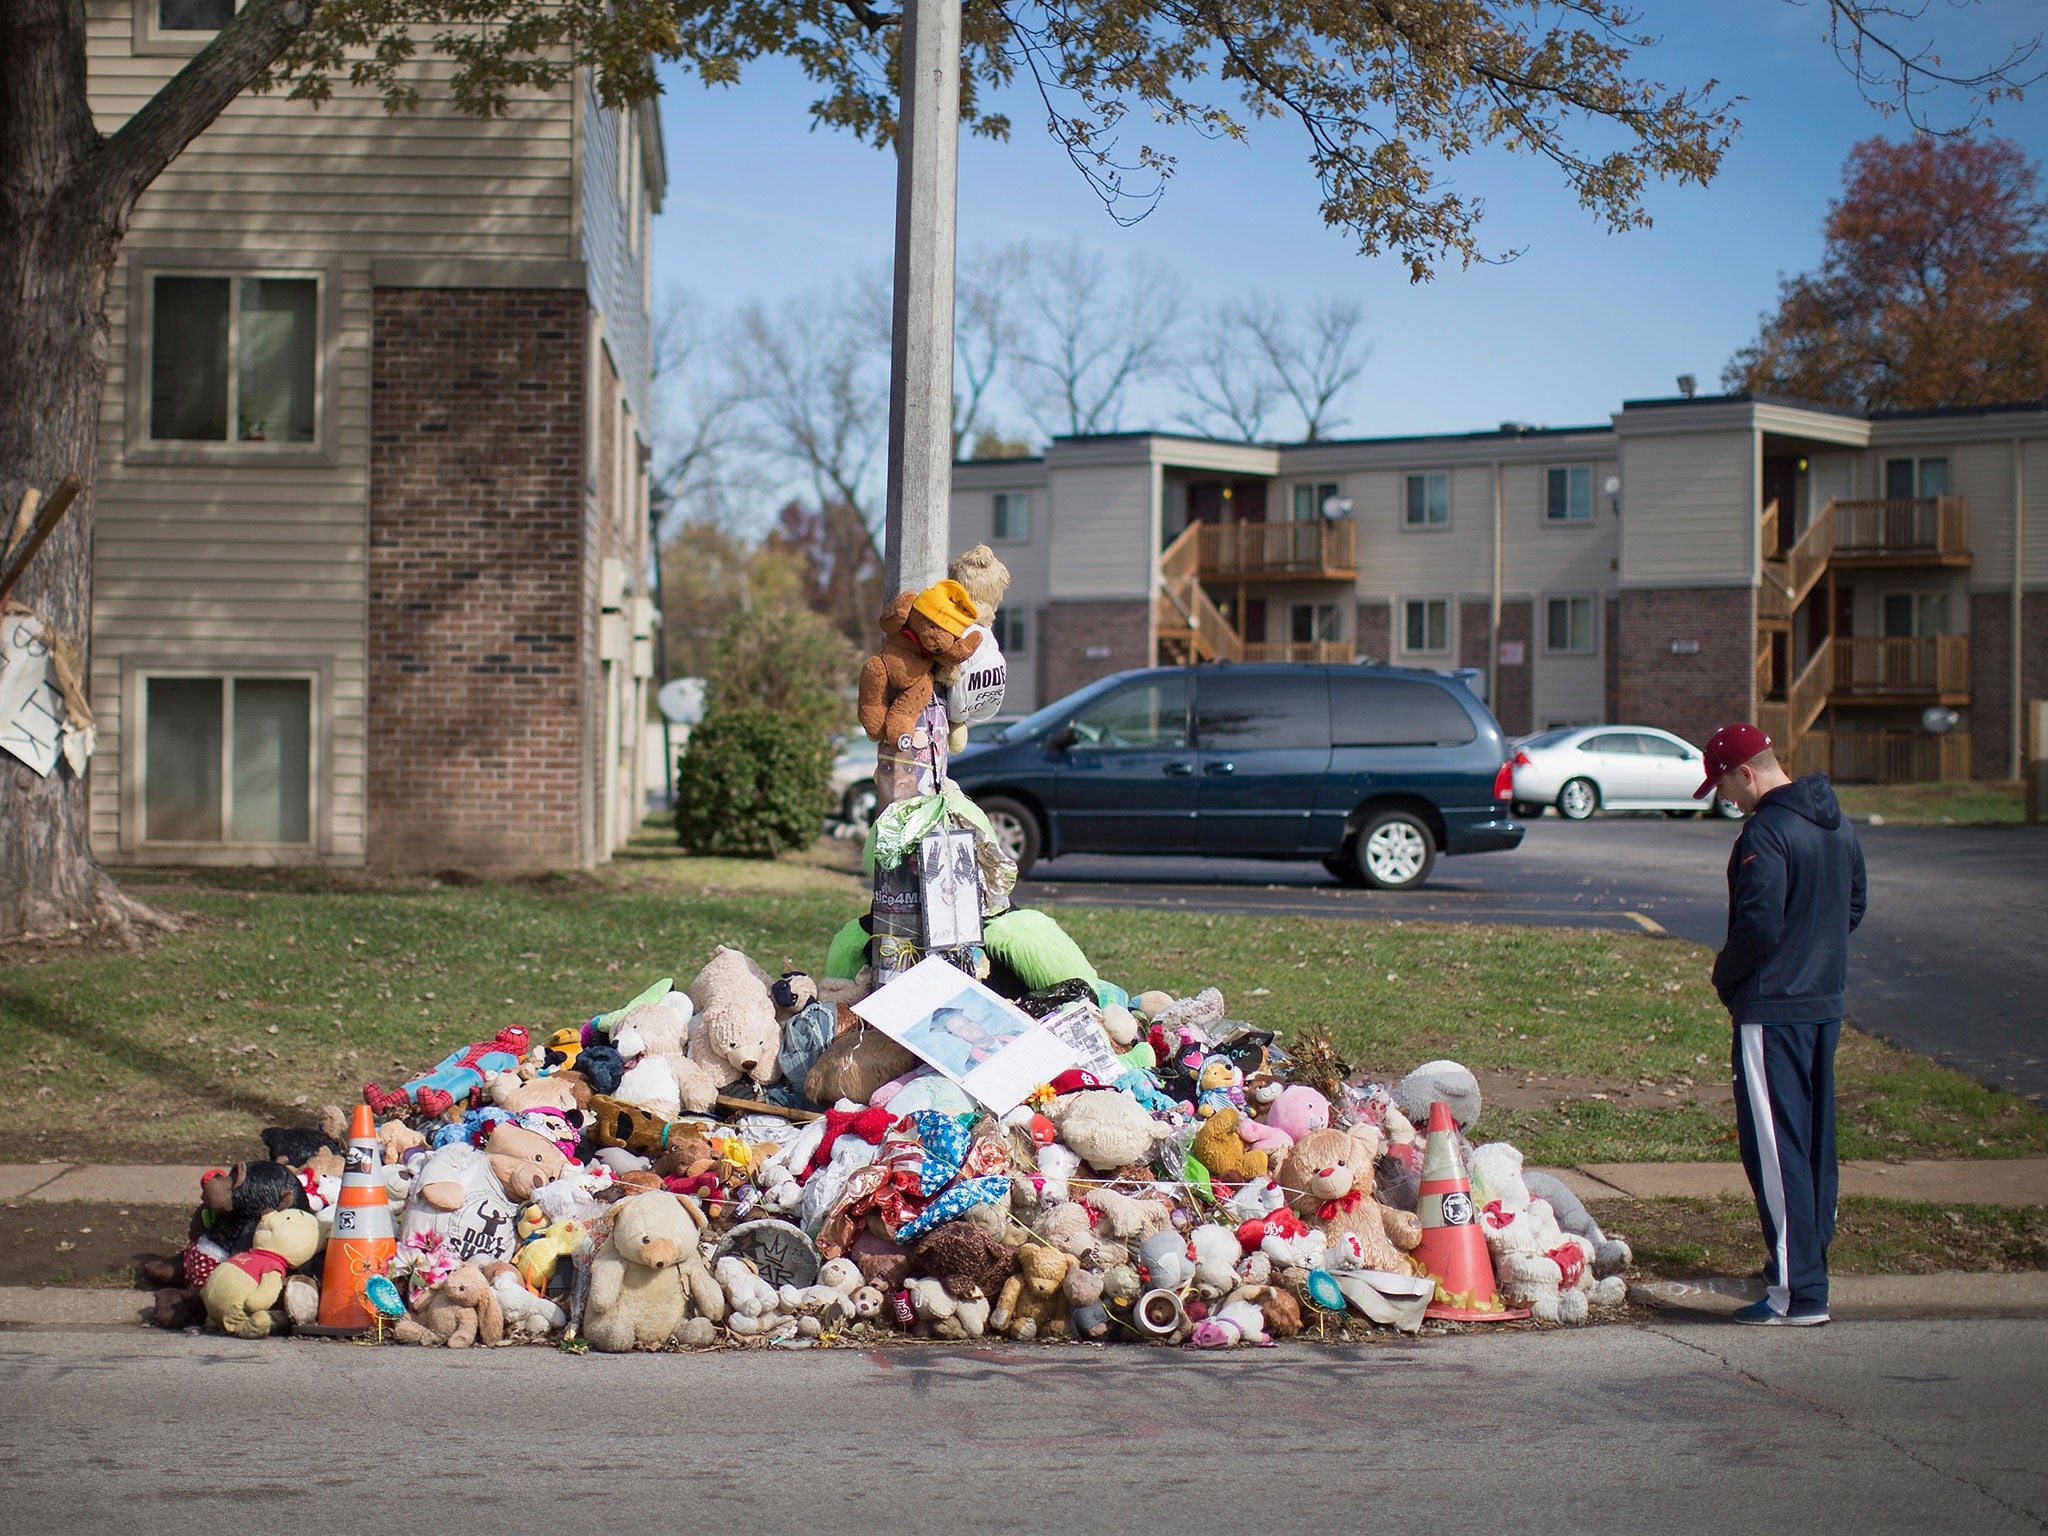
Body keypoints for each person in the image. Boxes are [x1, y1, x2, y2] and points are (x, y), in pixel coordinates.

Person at [1695, 723, 1866, 1326]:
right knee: (1814, 1145)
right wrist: (1814, 955)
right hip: (1824, 1000)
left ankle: (1798, 1292)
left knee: (1776, 1147)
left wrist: (1728, 978)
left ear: (1747, 772)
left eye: (1725, 785)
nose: (1727, 798)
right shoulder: (1836, 822)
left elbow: (1759, 925)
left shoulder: (1765, 831)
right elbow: (1854, 904)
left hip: (1773, 1008)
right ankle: (1807, 1267)